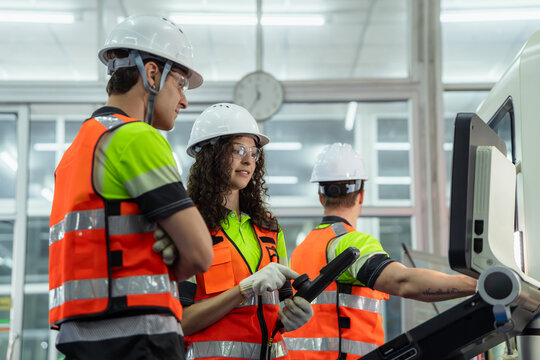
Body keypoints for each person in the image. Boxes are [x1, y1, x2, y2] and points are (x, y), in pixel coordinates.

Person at [48, 15, 213, 360]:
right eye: (180, 84)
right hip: (141, 339)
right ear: (152, 74)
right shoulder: (136, 137)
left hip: (79, 339)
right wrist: (176, 258)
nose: (184, 101)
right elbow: (201, 254)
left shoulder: (76, 150)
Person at [283, 143, 477, 359]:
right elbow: (403, 282)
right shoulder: (348, 242)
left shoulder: (303, 248)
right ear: (362, 195)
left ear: (321, 197)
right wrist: (479, 284)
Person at [178, 103, 314, 360]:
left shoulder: (269, 228)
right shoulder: (189, 225)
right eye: (237, 150)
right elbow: (181, 321)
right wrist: (243, 290)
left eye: (254, 152)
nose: (248, 160)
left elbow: (279, 311)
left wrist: (294, 316)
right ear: (211, 155)